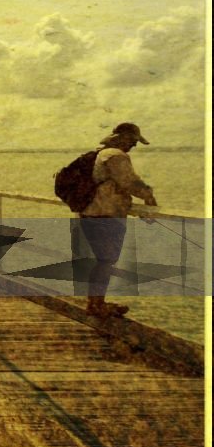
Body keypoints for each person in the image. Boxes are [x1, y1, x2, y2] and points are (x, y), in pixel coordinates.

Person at [79, 122, 157, 318]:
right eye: (133, 140)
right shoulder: (116, 156)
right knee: (106, 260)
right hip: (105, 214)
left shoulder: (101, 153)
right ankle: (96, 305)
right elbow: (129, 182)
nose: (134, 145)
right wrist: (148, 197)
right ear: (123, 138)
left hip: (92, 212)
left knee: (103, 260)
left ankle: (96, 303)